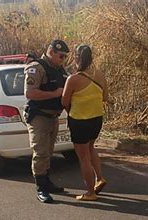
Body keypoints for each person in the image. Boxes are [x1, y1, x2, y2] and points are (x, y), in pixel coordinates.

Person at [24, 39, 69, 203]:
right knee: (40, 153)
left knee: (48, 152)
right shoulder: (37, 67)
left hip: (53, 117)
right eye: (61, 56)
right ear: (51, 52)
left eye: (65, 56)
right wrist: (55, 94)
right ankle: (41, 188)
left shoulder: (60, 69)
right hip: (39, 117)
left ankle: (47, 182)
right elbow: (30, 93)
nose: (63, 59)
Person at [62, 45, 109, 201]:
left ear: (76, 58)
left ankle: (90, 193)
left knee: (83, 158)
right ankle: (100, 178)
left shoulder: (73, 79)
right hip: (97, 120)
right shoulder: (100, 75)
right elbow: (105, 97)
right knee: (90, 147)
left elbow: (64, 101)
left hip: (79, 121)